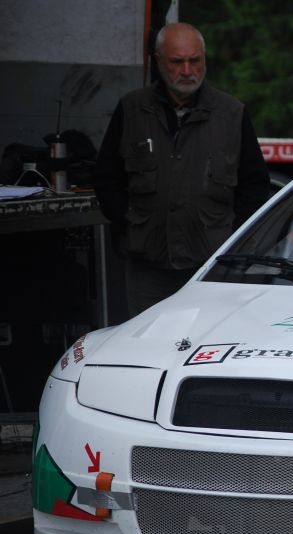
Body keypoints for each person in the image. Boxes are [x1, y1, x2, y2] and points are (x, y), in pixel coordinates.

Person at [95, 22, 269, 317]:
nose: (187, 71)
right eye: (177, 62)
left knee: (205, 341)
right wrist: (130, 226)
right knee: (146, 340)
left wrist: (229, 243)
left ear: (205, 59)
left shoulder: (231, 113)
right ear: (159, 61)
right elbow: (106, 177)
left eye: (195, 60)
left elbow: (255, 186)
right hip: (148, 268)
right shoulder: (133, 110)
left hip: (209, 269)